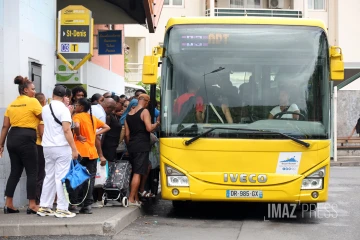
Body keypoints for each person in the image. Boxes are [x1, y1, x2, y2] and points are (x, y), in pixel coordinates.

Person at [0, 76, 42, 214]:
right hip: (26, 137)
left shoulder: (12, 104)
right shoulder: (33, 101)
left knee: (15, 172)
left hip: (12, 137)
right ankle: (32, 204)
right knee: (32, 171)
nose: (34, 92)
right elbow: (44, 117)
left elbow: (5, 126)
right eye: (33, 89)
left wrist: (1, 145)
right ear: (25, 90)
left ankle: (9, 204)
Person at [36, 85, 79, 218]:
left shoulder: (45, 108)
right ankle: (61, 208)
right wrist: (74, 148)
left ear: (53, 94)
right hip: (61, 147)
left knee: (49, 176)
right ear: (65, 96)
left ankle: (44, 206)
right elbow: (66, 130)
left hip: (47, 147)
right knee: (61, 177)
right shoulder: (64, 110)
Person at [71, 98, 110, 214]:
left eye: (76, 105)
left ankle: (74, 204)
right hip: (92, 152)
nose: (75, 106)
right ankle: (87, 205)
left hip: (79, 151)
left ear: (81, 107)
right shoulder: (92, 118)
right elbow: (107, 127)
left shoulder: (77, 116)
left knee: (77, 177)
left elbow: (76, 126)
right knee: (90, 179)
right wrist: (94, 134)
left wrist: (78, 135)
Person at [125, 94, 160, 206]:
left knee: (135, 170)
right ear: (146, 101)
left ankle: (135, 198)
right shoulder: (144, 112)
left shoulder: (128, 114)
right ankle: (131, 199)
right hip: (142, 145)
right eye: (148, 102)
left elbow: (127, 134)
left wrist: (130, 144)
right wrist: (157, 124)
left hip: (132, 146)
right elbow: (149, 128)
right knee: (138, 172)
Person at [35, 93, 46, 206]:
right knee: (40, 173)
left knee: (36, 173)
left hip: (34, 144)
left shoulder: (33, 113)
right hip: (40, 146)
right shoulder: (42, 115)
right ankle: (38, 200)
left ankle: (36, 199)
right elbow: (42, 133)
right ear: (43, 102)